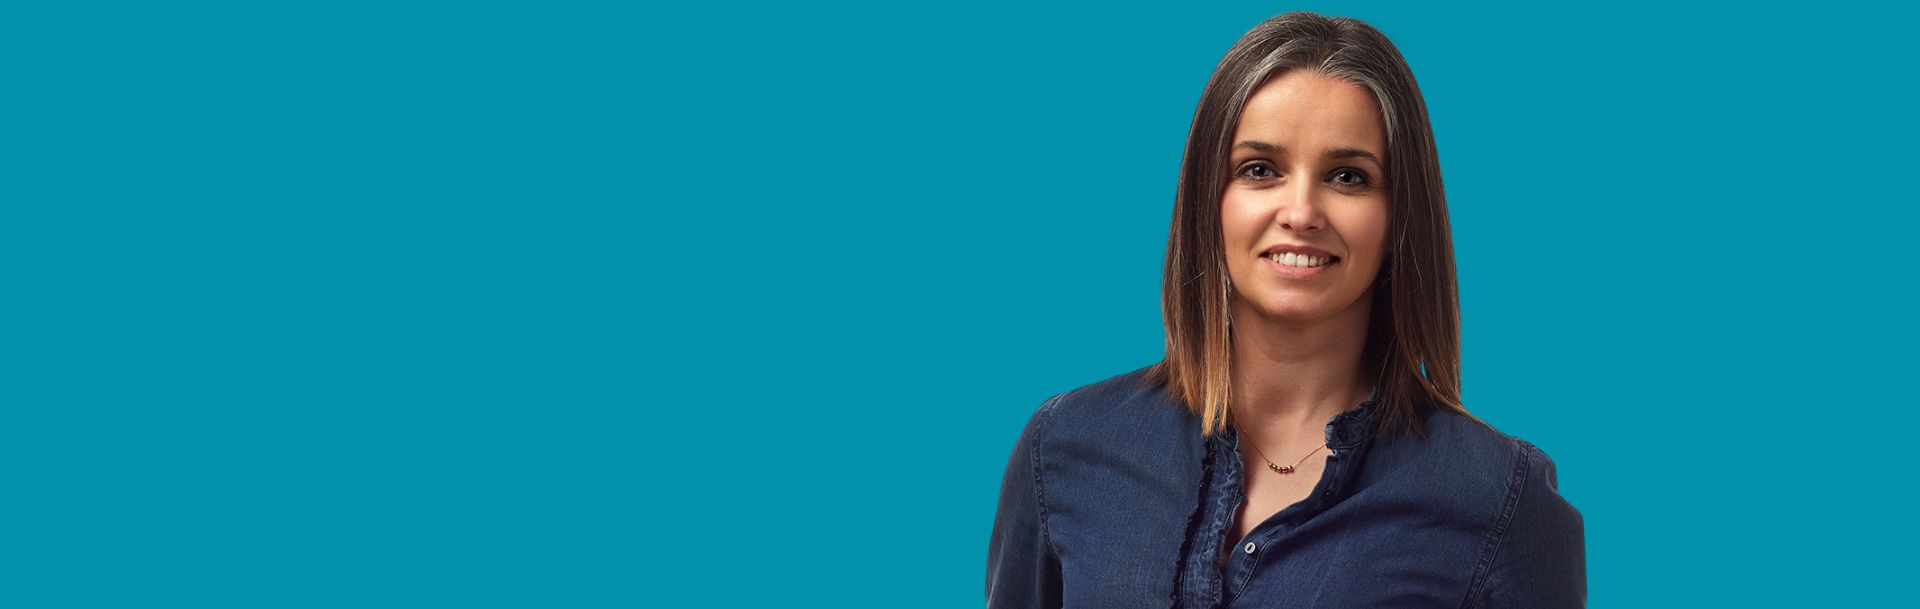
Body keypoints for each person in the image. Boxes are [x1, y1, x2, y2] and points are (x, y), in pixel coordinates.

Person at [985, 11, 1585, 609]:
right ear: (1208, 200)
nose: (1301, 213)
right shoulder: (1066, 447)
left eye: (1348, 176)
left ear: (1400, 216)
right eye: (1260, 170)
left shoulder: (1499, 500)